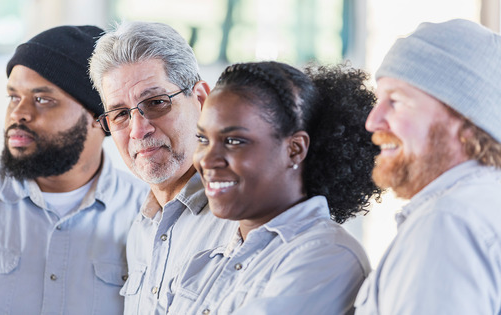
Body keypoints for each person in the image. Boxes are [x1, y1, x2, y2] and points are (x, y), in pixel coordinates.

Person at [0, 25, 149, 314]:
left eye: (42, 99)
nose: (19, 113)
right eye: (14, 97)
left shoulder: (147, 218)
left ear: (100, 119)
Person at [165, 61, 381, 314]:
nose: (207, 159)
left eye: (233, 141)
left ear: (295, 149)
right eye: (202, 139)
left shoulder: (327, 256)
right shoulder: (205, 260)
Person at [89, 21, 238, 314]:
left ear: (201, 100)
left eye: (156, 102)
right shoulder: (141, 230)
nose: (138, 130)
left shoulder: (241, 218)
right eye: (120, 114)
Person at [354, 19, 501, 314]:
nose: (372, 121)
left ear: (466, 122)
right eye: (379, 100)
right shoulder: (481, 205)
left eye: (395, 101)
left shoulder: (448, 222)